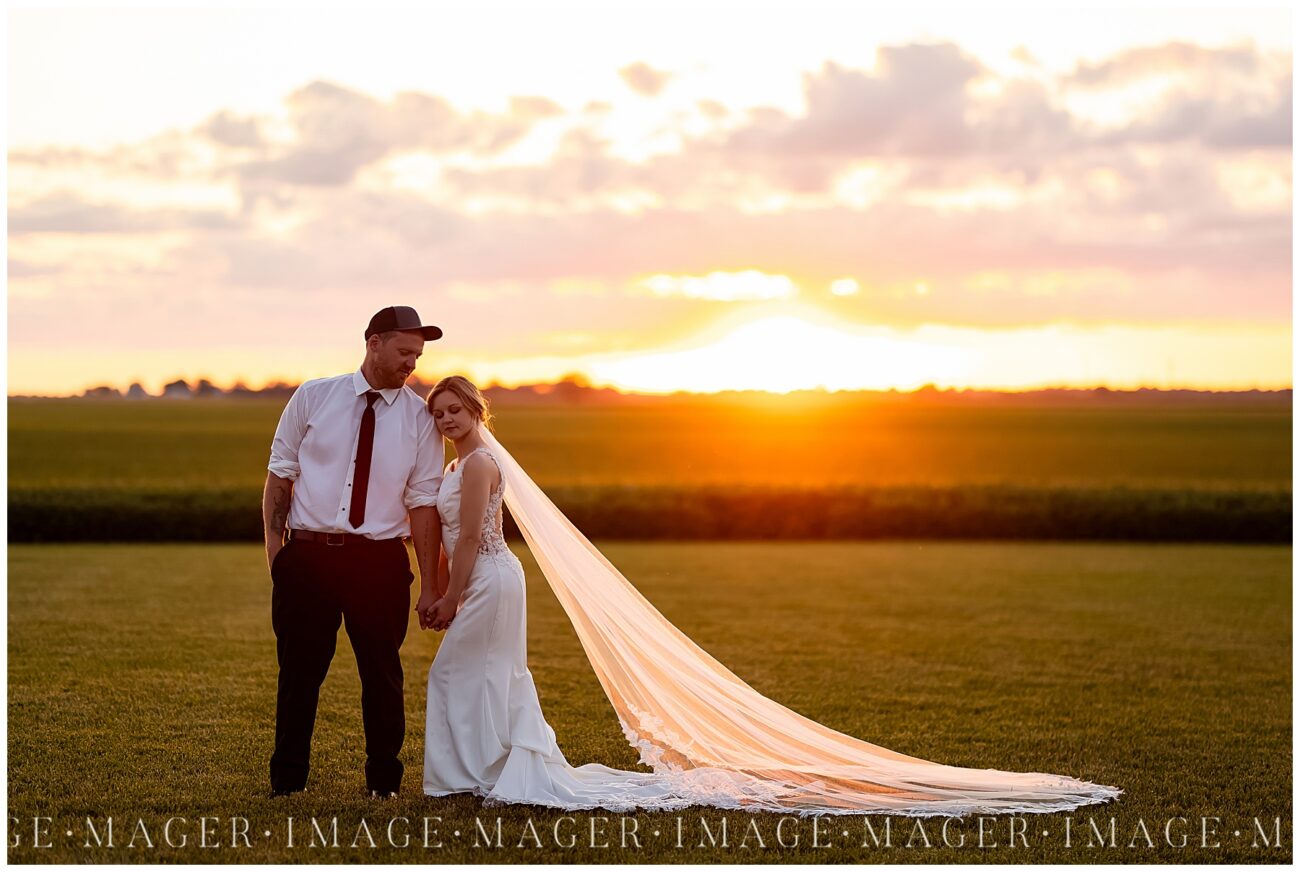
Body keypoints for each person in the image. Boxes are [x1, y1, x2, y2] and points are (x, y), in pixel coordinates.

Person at [417, 375, 1124, 816]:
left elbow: (477, 537)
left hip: (491, 582)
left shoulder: (479, 461)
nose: (445, 418)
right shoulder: (462, 460)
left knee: (460, 671)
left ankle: (478, 773)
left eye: (453, 408)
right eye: (437, 412)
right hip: (487, 583)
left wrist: (448, 597)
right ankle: (488, 770)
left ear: (476, 410)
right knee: (482, 676)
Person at [263, 305, 444, 799]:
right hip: (307, 558)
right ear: (374, 343)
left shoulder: (421, 419)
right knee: (298, 673)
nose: (413, 363)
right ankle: (287, 781)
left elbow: (423, 503)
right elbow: (280, 473)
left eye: (418, 355)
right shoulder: (312, 396)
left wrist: (430, 583)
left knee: (382, 675)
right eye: (405, 351)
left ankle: (383, 782)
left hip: (380, 562)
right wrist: (277, 555)